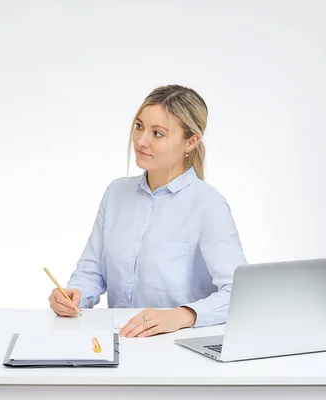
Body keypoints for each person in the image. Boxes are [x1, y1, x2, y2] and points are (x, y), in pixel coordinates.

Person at [48, 84, 247, 338]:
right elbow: (92, 271)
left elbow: (237, 294)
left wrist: (180, 316)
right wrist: (74, 294)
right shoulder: (116, 193)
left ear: (191, 141)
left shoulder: (208, 206)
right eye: (139, 126)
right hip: (119, 343)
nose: (141, 141)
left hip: (178, 348)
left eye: (158, 134)